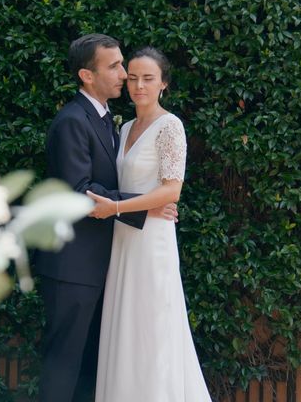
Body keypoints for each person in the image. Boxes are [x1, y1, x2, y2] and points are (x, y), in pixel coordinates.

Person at [34, 35, 178, 402]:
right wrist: (143, 205)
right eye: (114, 67)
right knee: (63, 362)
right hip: (72, 266)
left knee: (90, 365)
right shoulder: (72, 121)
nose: (124, 74)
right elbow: (79, 191)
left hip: (105, 263)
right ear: (86, 74)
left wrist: (140, 204)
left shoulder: (109, 122)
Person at [87, 47, 212, 402]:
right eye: (134, 78)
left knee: (152, 327)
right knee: (125, 326)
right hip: (125, 237)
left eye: (149, 78)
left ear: (164, 84)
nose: (139, 85)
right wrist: (128, 209)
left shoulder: (170, 125)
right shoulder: (123, 127)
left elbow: (172, 189)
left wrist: (117, 207)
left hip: (152, 241)